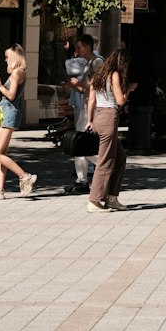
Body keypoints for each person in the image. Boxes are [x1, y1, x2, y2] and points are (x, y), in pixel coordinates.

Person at [0, 43, 37, 200]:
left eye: (7, 57)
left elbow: (11, 95)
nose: (5, 60)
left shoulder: (16, 73)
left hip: (10, 114)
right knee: (1, 153)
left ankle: (24, 176)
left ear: (13, 57)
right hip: (9, 114)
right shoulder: (20, 72)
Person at [86, 45, 131, 212]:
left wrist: (90, 120)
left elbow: (91, 100)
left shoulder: (98, 75)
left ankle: (112, 197)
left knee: (120, 159)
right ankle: (95, 200)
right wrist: (129, 91)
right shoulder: (115, 75)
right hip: (109, 118)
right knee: (105, 162)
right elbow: (120, 101)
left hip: (98, 117)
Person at [64, 33, 102, 194]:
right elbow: (87, 89)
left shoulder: (98, 63)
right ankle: (82, 180)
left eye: (79, 47)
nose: (76, 51)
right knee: (78, 145)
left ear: (87, 47)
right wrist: (74, 86)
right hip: (85, 108)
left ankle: (104, 166)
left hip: (91, 110)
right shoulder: (88, 64)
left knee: (83, 145)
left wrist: (79, 84)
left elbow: (98, 89)